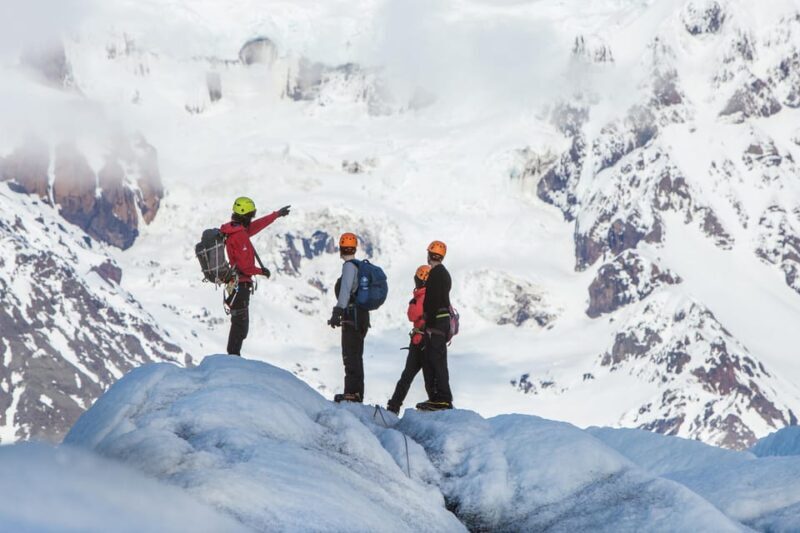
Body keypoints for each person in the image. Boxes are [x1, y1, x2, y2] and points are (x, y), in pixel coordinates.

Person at [220, 197, 290, 356]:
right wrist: (261, 272)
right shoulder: (240, 236)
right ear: (245, 215)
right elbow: (245, 266)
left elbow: (256, 226)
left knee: (238, 323)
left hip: (235, 284)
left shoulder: (234, 230)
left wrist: (276, 215)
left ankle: (233, 356)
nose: (252, 218)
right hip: (241, 285)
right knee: (240, 326)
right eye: (251, 215)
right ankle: (233, 358)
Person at [386, 265, 434, 415]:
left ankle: (394, 406)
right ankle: (435, 404)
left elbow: (412, 315)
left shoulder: (422, 296)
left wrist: (413, 301)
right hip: (428, 341)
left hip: (420, 342)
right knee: (429, 377)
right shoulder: (434, 294)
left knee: (407, 376)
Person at [328, 233, 370, 403]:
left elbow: (345, 292)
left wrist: (336, 313)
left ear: (340, 249)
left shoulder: (348, 267)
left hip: (351, 317)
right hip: (361, 317)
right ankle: (357, 392)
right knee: (356, 355)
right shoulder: (359, 267)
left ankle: (352, 393)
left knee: (350, 355)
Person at [416, 240, 454, 411]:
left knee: (436, 360)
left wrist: (427, 322)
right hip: (443, 321)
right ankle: (440, 398)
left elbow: (431, 300)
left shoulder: (435, 274)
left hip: (436, 322)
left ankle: (442, 399)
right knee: (437, 359)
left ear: (429, 254)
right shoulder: (444, 274)